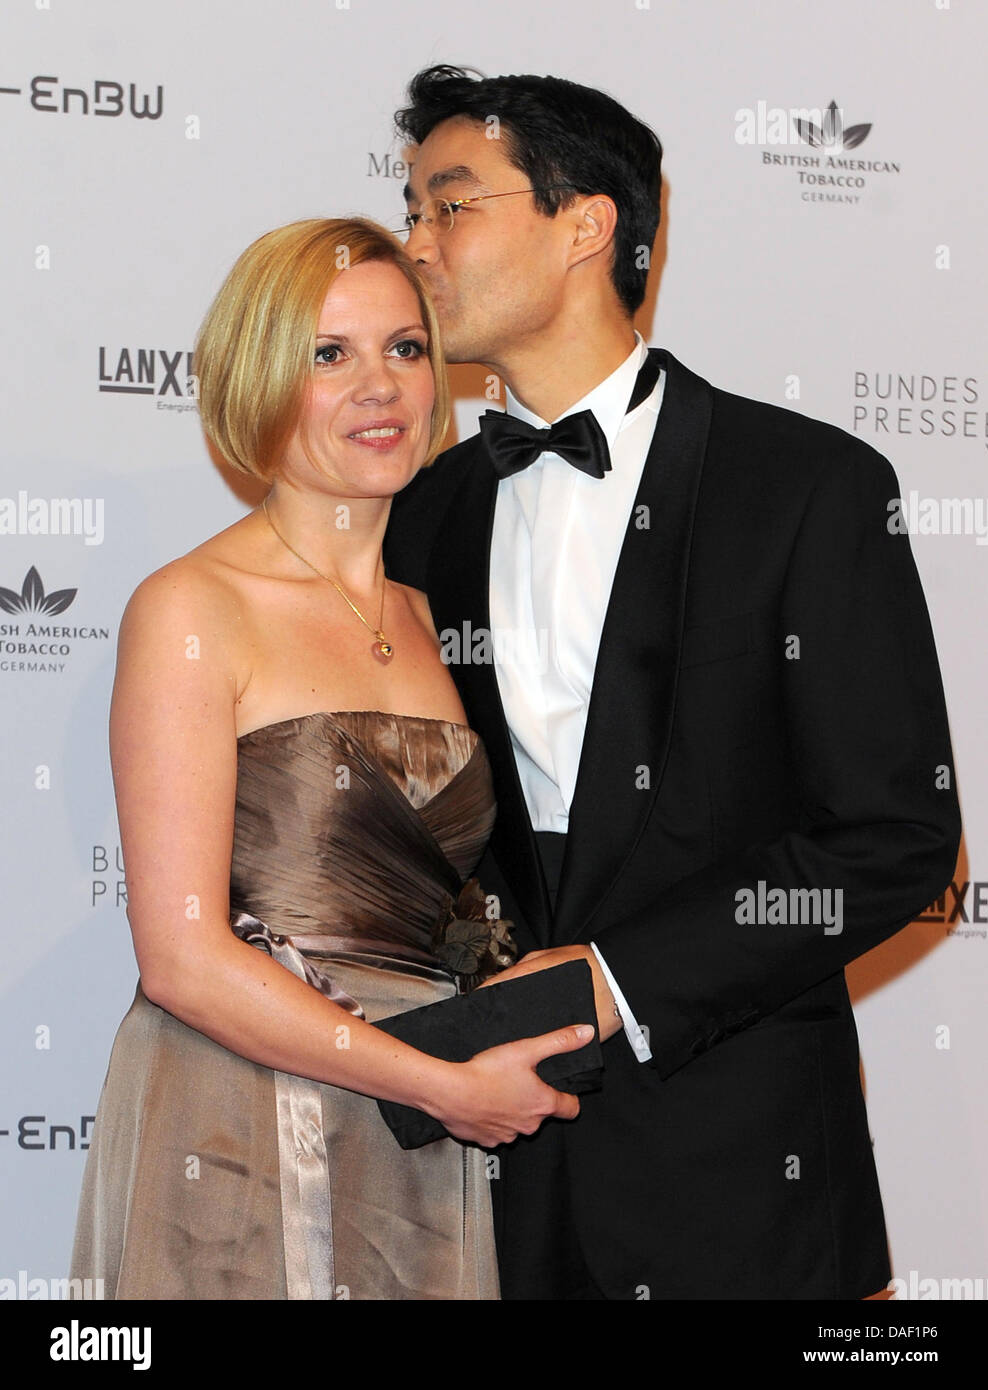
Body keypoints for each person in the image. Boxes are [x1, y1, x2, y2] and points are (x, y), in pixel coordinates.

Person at [383, 66, 962, 1300]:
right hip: (484, 1179)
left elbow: (895, 840)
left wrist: (617, 979)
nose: (415, 244)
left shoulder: (806, 486)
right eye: (410, 210)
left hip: (741, 1177)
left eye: (451, 206)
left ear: (585, 224)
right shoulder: (423, 512)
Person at [69, 216, 613, 1301]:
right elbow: (180, 957)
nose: (382, 385)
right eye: (330, 354)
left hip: (418, 1120)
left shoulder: (433, 614)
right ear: (258, 380)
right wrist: (434, 1082)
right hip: (239, 1116)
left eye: (406, 348)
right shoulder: (192, 607)